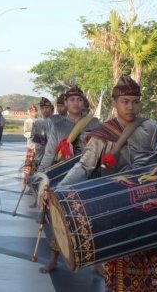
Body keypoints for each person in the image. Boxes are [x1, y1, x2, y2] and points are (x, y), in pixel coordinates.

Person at [51, 75, 157, 292]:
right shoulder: (102, 135)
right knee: (120, 271)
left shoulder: (150, 128)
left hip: (153, 209)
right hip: (118, 211)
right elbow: (83, 168)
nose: (131, 106)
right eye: (125, 101)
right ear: (115, 104)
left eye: (136, 101)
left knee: (155, 269)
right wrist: (60, 191)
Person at [37, 86, 100, 274]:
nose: (75, 103)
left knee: (92, 220)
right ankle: (54, 259)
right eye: (72, 100)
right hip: (64, 178)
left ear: (84, 103)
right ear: (66, 103)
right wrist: (41, 176)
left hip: (90, 176)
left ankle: (98, 264)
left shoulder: (95, 124)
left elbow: (104, 148)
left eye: (79, 100)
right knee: (60, 220)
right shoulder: (58, 126)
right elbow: (49, 154)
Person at [22, 104, 39, 185]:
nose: (35, 113)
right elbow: (25, 133)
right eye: (33, 111)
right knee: (28, 163)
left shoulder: (40, 121)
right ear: (30, 112)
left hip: (39, 147)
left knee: (36, 164)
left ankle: (35, 181)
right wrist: (32, 134)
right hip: (31, 145)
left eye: (36, 111)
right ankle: (27, 179)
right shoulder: (27, 121)